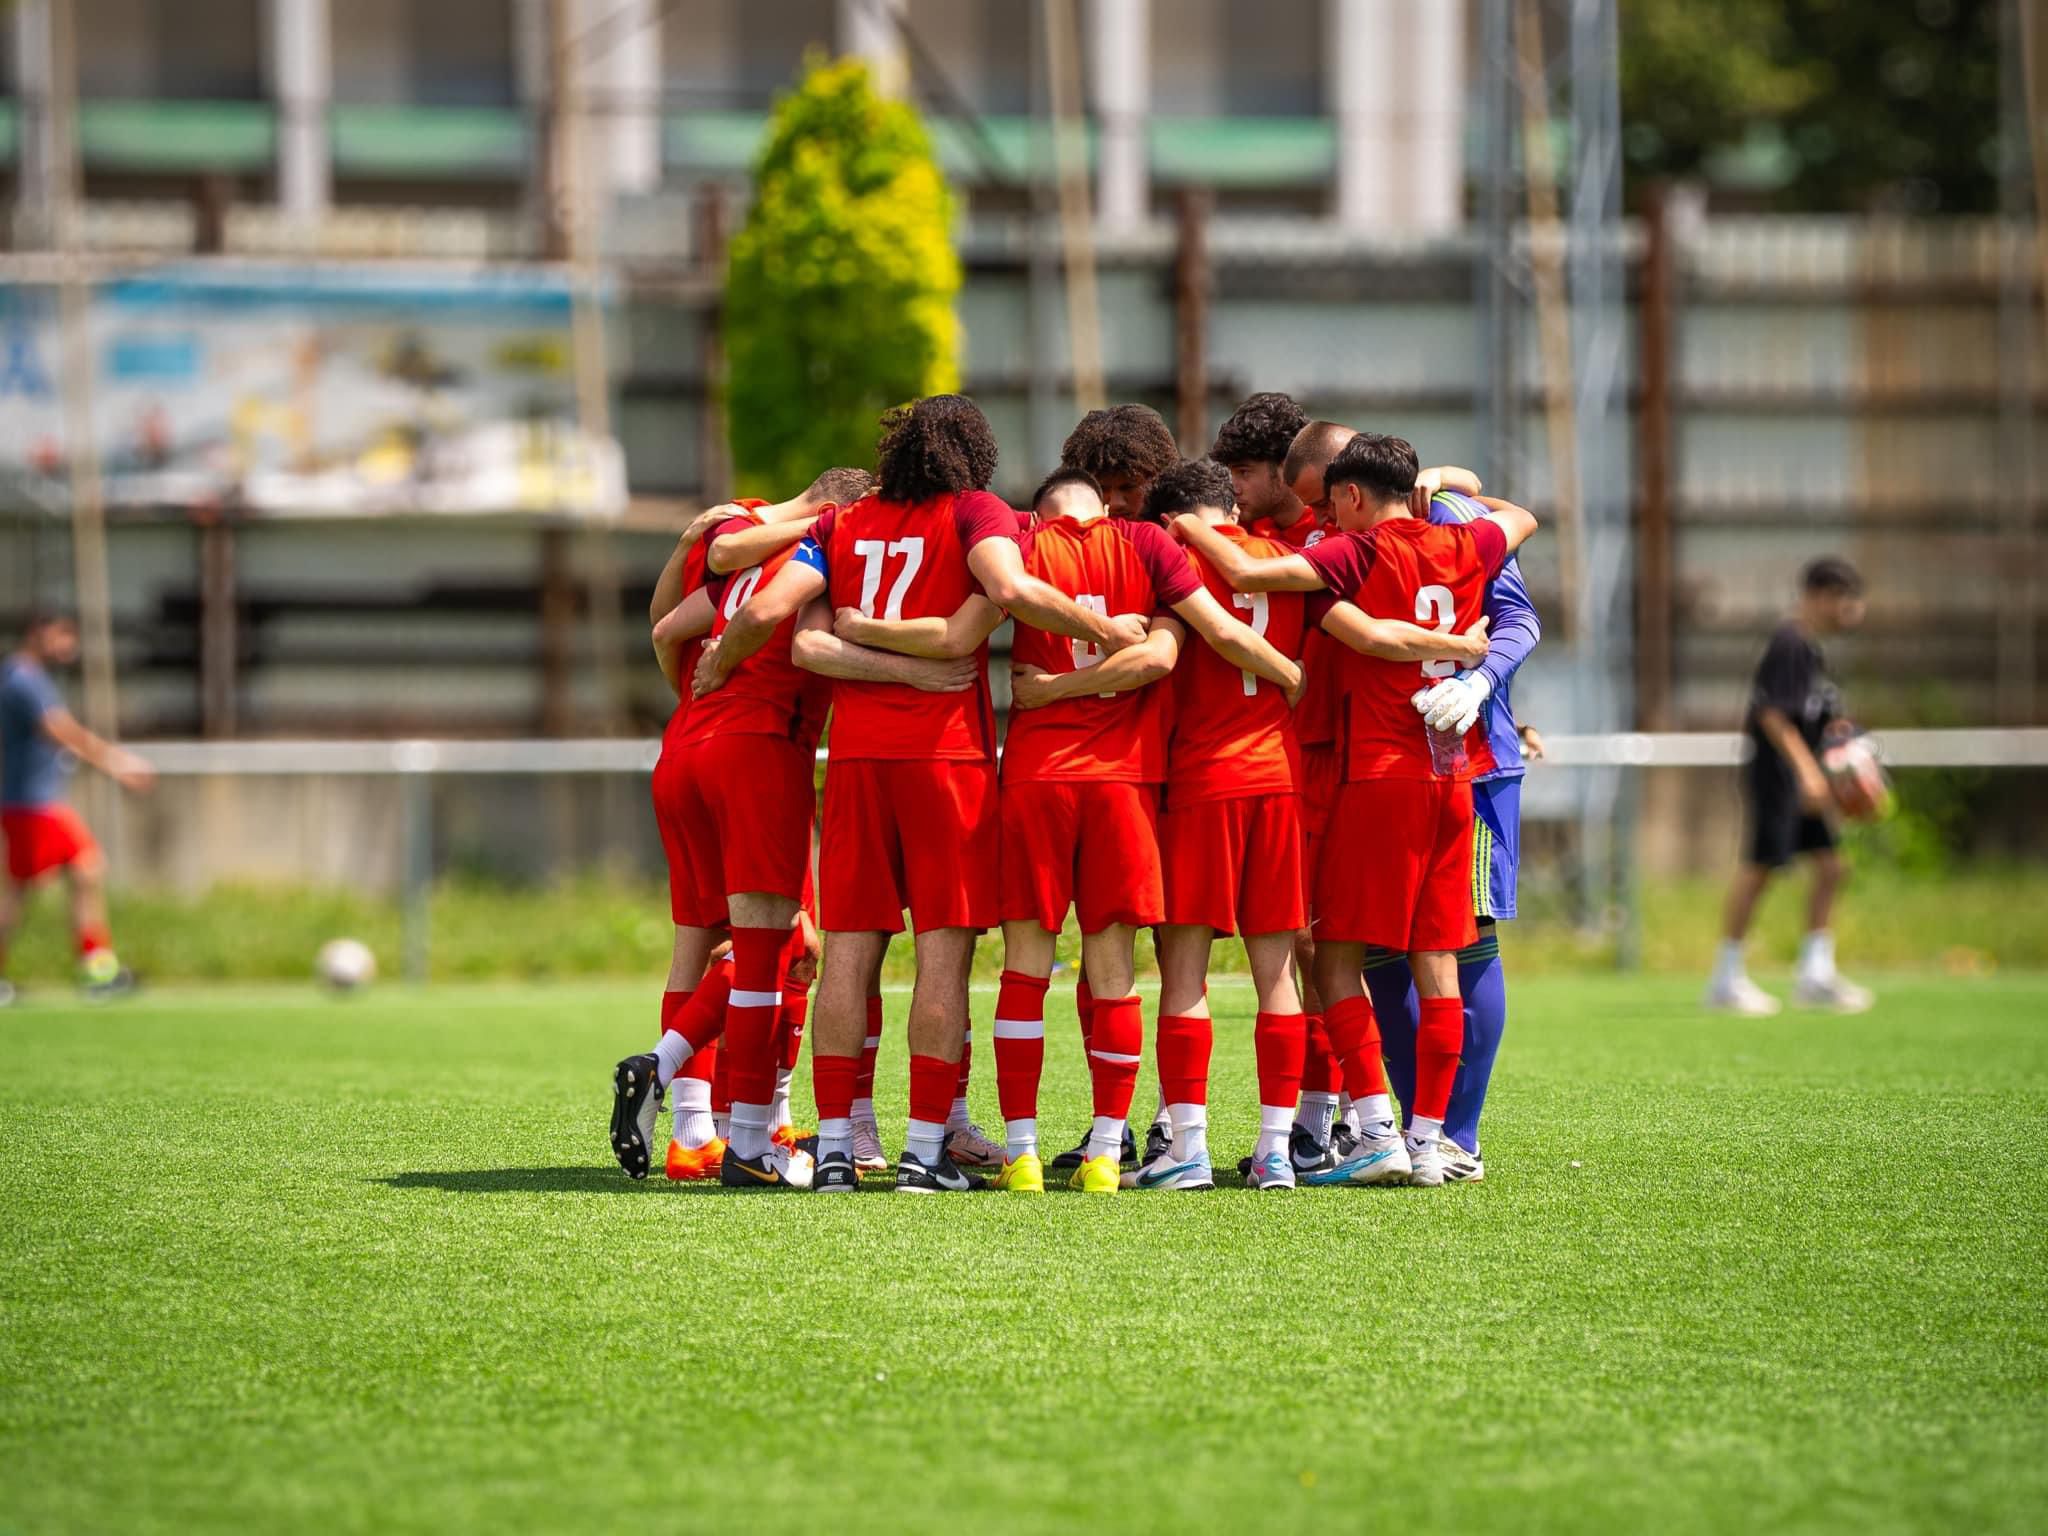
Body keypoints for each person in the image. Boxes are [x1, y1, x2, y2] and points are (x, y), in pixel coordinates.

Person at [708, 394, 1145, 1194]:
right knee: (943, 958)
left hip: (858, 765)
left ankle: (836, 1148)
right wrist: (1112, 631)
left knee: (849, 955)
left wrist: (721, 662)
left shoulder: (845, 524)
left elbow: (791, 630)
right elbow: (1008, 592)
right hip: (948, 762)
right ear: (974, 458)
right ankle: (920, 1154)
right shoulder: (975, 511)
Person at [843, 465, 1301, 1194]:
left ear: (1042, 508)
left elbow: (975, 624)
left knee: (1024, 967)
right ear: (1103, 504)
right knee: (1114, 969)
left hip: (1035, 778)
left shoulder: (1020, 540)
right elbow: (1164, 653)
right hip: (1125, 780)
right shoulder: (1149, 542)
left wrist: (1052, 686)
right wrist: (1288, 674)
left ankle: (1022, 1151)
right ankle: (1109, 1154)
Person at [1173, 433, 1538, 1188]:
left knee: (1333, 953)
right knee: (1437, 956)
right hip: (1453, 778)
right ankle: (1430, 1140)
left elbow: (1247, 571)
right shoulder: (1465, 541)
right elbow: (1522, 517)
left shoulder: (1355, 554)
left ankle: (1373, 1127)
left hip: (1379, 775)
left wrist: (1178, 523)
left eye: (1328, 502)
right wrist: (1446, 489)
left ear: (1349, 496)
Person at [1368, 470, 1544, 1184]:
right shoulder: (1340, 534)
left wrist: (1479, 682)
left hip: (1472, 764)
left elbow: (1520, 619)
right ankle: (1415, 1127)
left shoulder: (1449, 512)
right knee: (1380, 935)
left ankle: (1457, 1135)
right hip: (1377, 768)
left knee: (1464, 933)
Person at [1707, 557, 1872, 1016]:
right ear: (1823, 595)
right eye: (1847, 601)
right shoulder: (1790, 642)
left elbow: (1808, 712)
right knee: (1760, 867)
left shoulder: (1813, 650)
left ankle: (1816, 974)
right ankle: (1725, 976)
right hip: (1781, 776)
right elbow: (1773, 715)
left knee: (1832, 865)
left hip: (1803, 776)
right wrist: (1809, 773)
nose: (1851, 612)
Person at [0, 612, 153, 1006]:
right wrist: (116, 762)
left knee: (80, 871)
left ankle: (96, 968)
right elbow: (59, 731)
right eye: (61, 635)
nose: (68, 646)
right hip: (33, 804)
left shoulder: (29, 678)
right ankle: (96, 971)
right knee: (44, 881)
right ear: (37, 633)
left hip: (30, 804)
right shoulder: (23, 678)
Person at [1059, 404, 1179, 522]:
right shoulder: (1056, 538)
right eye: (1101, 489)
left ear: (1160, 480)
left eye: (1128, 487)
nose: (1115, 503)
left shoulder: (1184, 534)